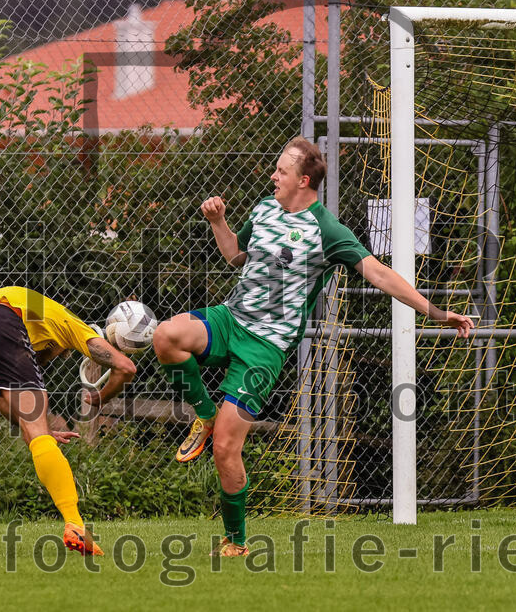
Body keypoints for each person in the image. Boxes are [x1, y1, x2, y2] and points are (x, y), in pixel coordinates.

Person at [151, 137, 473, 556]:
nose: (273, 177)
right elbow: (235, 257)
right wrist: (219, 223)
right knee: (165, 337)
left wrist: (435, 312)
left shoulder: (327, 230)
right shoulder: (264, 209)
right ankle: (205, 414)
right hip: (231, 319)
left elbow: (380, 274)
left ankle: (236, 541)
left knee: (226, 449)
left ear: (304, 180)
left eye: (281, 172)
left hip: (265, 347)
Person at [0, 286, 137, 555]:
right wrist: (100, 398)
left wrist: (38, 429)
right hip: (2, 322)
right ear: (60, 344)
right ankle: (75, 525)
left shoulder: (37, 313)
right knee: (39, 437)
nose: (48, 359)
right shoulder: (72, 326)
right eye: (55, 354)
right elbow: (126, 367)